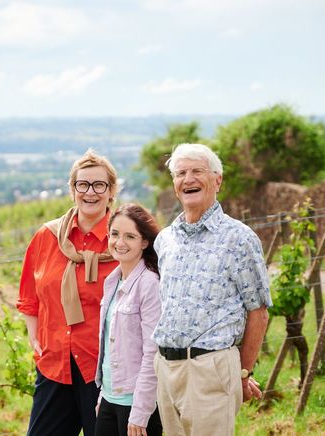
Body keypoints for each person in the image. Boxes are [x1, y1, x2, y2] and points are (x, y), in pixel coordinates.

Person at [152, 143, 271, 436]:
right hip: (166, 369)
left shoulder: (239, 238)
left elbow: (259, 311)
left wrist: (243, 373)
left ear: (217, 180)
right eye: (181, 173)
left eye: (197, 171)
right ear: (174, 184)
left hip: (210, 368)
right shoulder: (165, 239)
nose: (188, 179)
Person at [17, 149, 120, 436]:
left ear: (111, 191)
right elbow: (29, 295)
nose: (90, 192)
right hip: (55, 364)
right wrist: (34, 335)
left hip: (105, 369)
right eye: (82, 184)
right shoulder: (47, 236)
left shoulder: (124, 238)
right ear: (72, 189)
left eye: (99, 185)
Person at [95, 204, 163, 436]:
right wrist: (104, 395)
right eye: (114, 234)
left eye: (130, 236)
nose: (119, 242)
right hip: (109, 399)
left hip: (135, 404)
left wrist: (141, 411)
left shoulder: (149, 284)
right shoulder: (112, 282)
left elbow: (152, 352)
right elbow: (110, 345)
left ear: (144, 242)